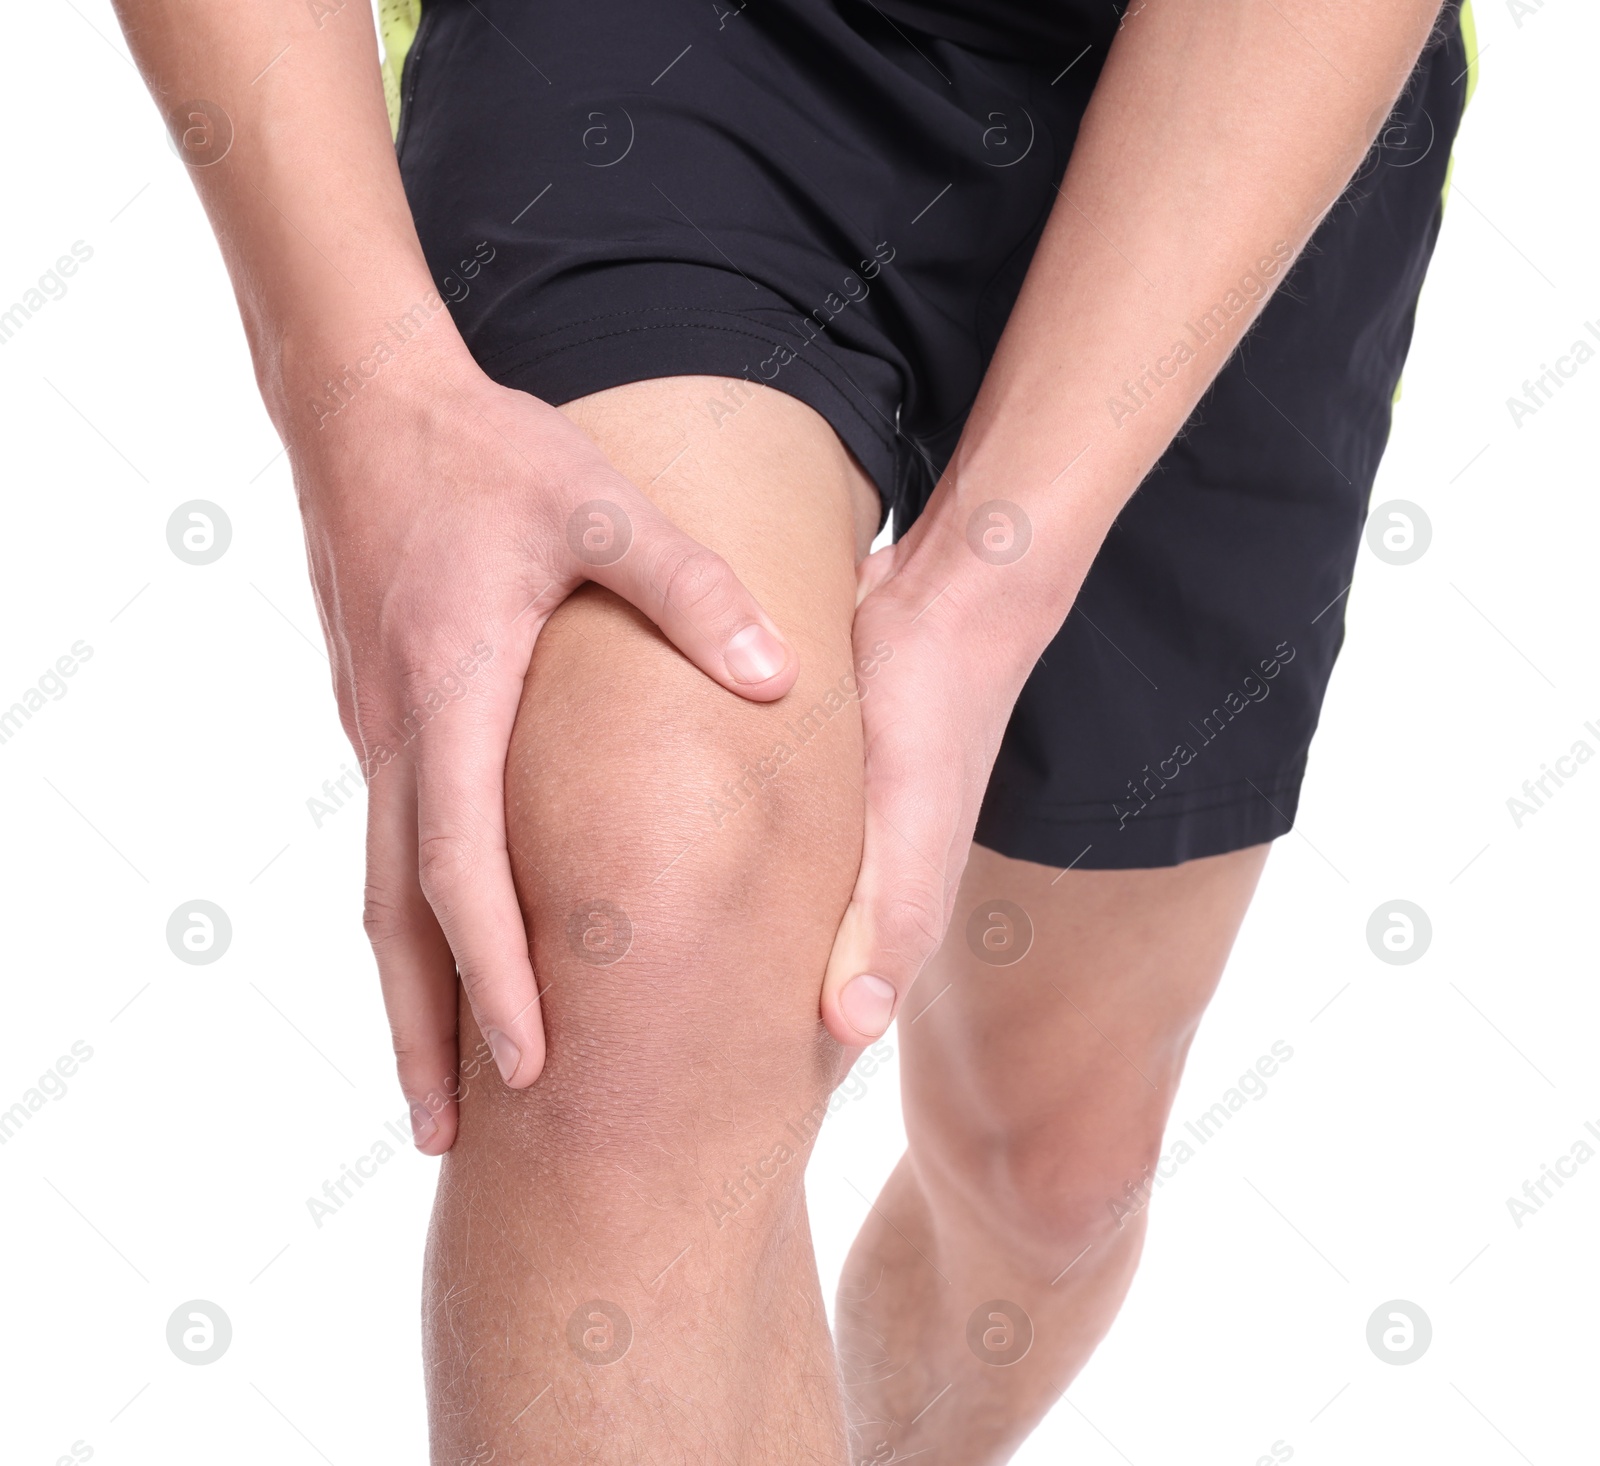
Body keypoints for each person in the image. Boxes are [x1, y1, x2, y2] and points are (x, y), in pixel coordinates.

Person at [113, 0, 1474, 1458]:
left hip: (1239, 78)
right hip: (660, 48)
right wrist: (361, 393)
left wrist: (985, 589)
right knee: (643, 904)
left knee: (1046, 1181)